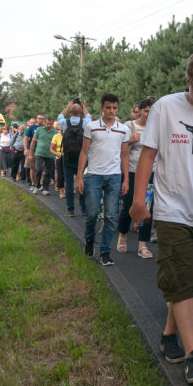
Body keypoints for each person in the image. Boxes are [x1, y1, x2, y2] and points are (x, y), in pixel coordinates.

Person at [131, 53, 193, 385]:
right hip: (173, 208)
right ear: (187, 81)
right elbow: (148, 155)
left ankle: (169, 335)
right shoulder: (166, 107)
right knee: (180, 277)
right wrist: (139, 201)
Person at [76, 94, 130, 266]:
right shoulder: (91, 127)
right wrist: (79, 177)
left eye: (114, 108)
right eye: (108, 107)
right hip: (94, 175)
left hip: (114, 176)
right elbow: (84, 152)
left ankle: (105, 252)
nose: (111, 111)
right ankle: (89, 240)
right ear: (102, 108)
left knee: (111, 216)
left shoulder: (123, 129)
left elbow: (125, 155)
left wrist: (126, 179)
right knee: (91, 214)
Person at [118, 96, 156, 259]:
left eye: (152, 111)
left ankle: (143, 244)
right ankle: (122, 234)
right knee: (128, 206)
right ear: (139, 111)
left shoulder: (158, 128)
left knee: (148, 207)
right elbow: (121, 150)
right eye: (146, 111)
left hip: (151, 173)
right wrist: (130, 141)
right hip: (133, 172)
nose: (149, 114)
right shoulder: (130, 126)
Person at [58, 100, 91, 218]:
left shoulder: (64, 123)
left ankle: (70, 210)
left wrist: (68, 106)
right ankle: (84, 209)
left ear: (70, 112)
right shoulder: (85, 122)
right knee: (82, 181)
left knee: (69, 183)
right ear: (81, 113)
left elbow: (60, 115)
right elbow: (88, 115)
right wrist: (84, 106)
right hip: (82, 157)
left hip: (67, 157)